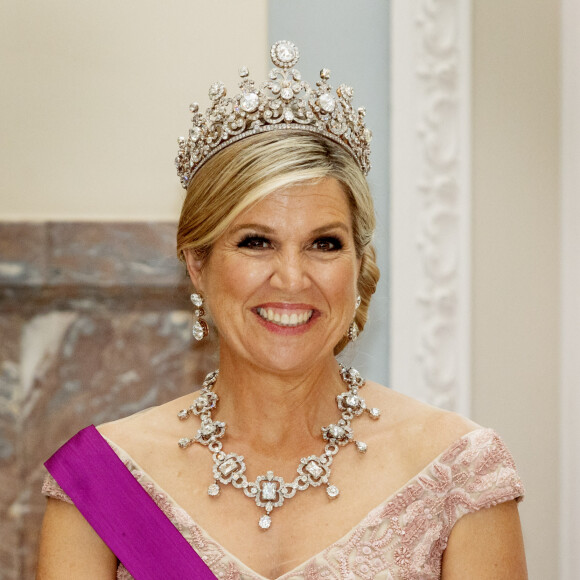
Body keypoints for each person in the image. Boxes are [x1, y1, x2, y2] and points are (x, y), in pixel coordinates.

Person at [37, 41, 527, 579]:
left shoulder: (457, 472)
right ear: (197, 264)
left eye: (324, 244)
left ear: (358, 264)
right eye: (255, 242)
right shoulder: (102, 481)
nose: (293, 279)